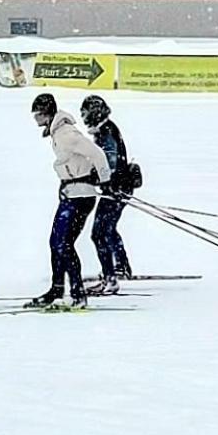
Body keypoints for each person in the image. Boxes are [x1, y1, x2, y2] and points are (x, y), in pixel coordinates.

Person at [28, 92, 110, 308]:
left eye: (36, 114)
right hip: (71, 194)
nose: (35, 119)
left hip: (81, 196)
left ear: (46, 113)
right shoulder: (57, 132)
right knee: (56, 243)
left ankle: (77, 293)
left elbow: (97, 153)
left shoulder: (66, 134)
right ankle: (57, 290)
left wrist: (104, 179)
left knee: (63, 244)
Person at [81, 94, 142, 290]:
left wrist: (100, 178)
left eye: (85, 113)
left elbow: (110, 161)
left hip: (116, 188)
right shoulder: (106, 128)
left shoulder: (106, 131)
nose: (83, 117)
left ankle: (110, 278)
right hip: (120, 187)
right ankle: (120, 267)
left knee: (99, 233)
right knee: (108, 229)